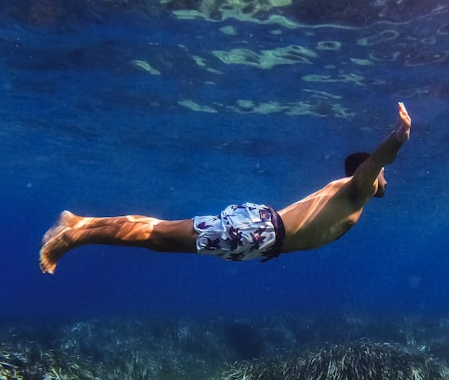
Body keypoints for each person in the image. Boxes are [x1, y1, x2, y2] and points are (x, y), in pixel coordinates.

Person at [39, 102, 412, 274]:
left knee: (162, 234)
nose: (385, 182)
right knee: (160, 237)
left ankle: (80, 222)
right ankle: (72, 238)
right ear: (369, 173)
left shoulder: (350, 193)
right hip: (260, 232)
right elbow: (377, 162)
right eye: (381, 176)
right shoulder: (358, 188)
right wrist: (398, 137)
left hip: (261, 237)